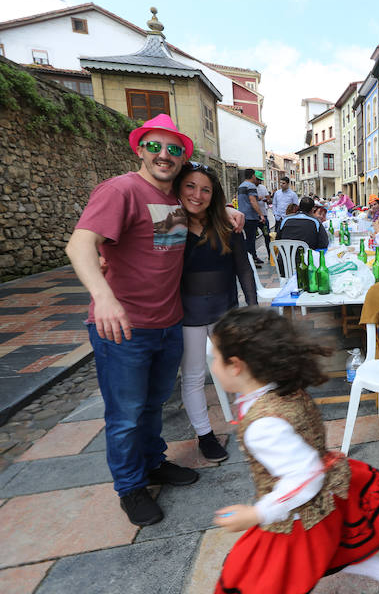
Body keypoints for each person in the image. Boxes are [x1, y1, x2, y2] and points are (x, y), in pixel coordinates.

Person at [65, 114, 211, 526]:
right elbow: (79, 244)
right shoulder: (121, 189)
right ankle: (130, 487)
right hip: (123, 327)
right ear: (140, 149)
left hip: (168, 323)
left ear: (183, 157)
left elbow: (183, 225)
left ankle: (153, 463)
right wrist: (103, 296)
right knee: (125, 413)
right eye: (155, 146)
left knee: (153, 404)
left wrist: (232, 213)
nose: (164, 155)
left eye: (174, 149)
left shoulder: (173, 200)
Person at [209, 307, 379, 594]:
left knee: (258, 580)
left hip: (298, 517)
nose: (213, 365)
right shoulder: (281, 388)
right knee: (331, 553)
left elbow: (305, 474)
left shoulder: (263, 426)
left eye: (215, 359)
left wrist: (258, 514)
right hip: (324, 499)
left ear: (235, 365)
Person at [176, 163, 257, 463]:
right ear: (179, 189)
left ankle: (255, 423)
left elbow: (244, 269)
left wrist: (252, 311)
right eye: (190, 187)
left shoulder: (228, 225)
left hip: (225, 310)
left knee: (241, 368)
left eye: (205, 189)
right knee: (194, 376)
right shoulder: (171, 226)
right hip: (188, 314)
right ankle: (205, 436)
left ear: (214, 194)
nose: (197, 195)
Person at [237, 169, 264, 266]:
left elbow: (246, 199)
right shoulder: (251, 186)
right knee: (250, 240)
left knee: (248, 239)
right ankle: (250, 261)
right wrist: (261, 214)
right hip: (250, 217)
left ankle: (253, 257)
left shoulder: (241, 186)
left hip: (243, 216)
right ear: (253, 176)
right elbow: (252, 201)